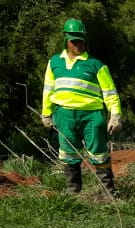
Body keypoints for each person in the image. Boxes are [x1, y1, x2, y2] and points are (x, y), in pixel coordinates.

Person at [41, 18, 122, 196]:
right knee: (68, 154)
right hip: (64, 115)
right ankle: (74, 194)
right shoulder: (54, 62)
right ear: (66, 40)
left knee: (99, 154)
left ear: (86, 40)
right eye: (73, 40)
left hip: (92, 116)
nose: (77, 44)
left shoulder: (96, 65)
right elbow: (48, 90)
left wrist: (115, 116)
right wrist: (46, 114)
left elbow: (110, 93)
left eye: (80, 40)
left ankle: (109, 194)